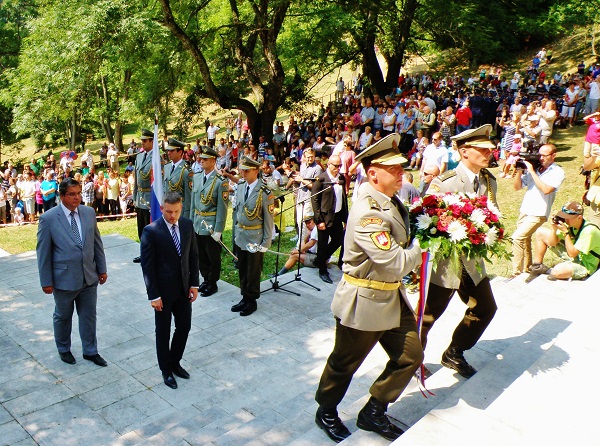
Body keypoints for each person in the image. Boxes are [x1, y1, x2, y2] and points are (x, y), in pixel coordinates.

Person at [314, 133, 423, 443]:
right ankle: (326, 410)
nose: (402, 171)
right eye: (395, 168)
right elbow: (394, 262)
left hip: (390, 296)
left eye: (402, 166)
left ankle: (373, 410)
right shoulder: (368, 213)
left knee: (411, 355)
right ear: (373, 173)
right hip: (365, 300)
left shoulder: (389, 200)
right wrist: (423, 245)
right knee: (344, 363)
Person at [421, 124, 498, 379]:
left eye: (490, 148)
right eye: (482, 149)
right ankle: (409, 361)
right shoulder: (445, 182)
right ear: (464, 152)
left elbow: (491, 213)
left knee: (485, 308)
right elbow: (424, 218)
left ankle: (455, 351)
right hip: (445, 261)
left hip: (472, 261)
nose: (490, 152)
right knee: (427, 316)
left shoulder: (488, 180)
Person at [36, 178, 108, 367]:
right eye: (72, 194)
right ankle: (64, 349)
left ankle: (90, 351)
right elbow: (43, 253)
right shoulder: (48, 219)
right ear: (61, 196)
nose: (77, 198)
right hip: (63, 279)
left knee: (89, 316)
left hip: (89, 276)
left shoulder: (89, 212)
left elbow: (96, 244)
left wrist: (102, 269)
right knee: (63, 316)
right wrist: (46, 281)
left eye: (78, 193)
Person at [140, 192, 199, 389]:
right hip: (162, 294)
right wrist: (154, 295)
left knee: (184, 327)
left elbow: (193, 256)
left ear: (181, 208)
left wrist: (194, 284)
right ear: (162, 209)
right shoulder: (151, 231)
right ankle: (166, 370)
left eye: (176, 211)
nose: (173, 216)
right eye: (169, 212)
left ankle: (175, 362)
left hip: (183, 290)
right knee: (163, 332)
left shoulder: (187, 225)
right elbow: (148, 267)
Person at [512, 144, 564, 277]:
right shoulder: (535, 169)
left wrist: (532, 172)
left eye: (544, 156)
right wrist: (519, 170)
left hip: (539, 212)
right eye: (539, 155)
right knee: (524, 240)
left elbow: (546, 190)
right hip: (525, 210)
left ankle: (516, 273)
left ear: (553, 156)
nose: (540, 158)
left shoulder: (557, 172)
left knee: (517, 238)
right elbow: (517, 187)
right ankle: (527, 268)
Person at [231, 157, 274, 317]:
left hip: (255, 237)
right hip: (241, 235)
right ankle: (244, 296)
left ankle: (252, 300)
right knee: (242, 267)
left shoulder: (265, 192)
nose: (243, 172)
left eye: (246, 170)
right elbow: (238, 211)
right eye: (242, 170)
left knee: (253, 270)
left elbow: (269, 220)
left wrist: (266, 242)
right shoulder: (241, 186)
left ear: (256, 171)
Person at [190, 146, 229, 297]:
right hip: (198, 222)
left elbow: (222, 208)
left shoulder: (220, 182)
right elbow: (194, 202)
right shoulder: (197, 177)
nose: (201, 161)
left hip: (211, 223)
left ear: (213, 161)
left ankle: (213, 282)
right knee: (200, 253)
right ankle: (206, 278)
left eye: (205, 159)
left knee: (212, 254)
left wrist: (219, 230)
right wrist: (192, 222)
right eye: (201, 158)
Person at [527, 201, 600, 282]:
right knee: (541, 232)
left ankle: (568, 270)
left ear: (579, 217)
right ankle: (537, 267)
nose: (565, 220)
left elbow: (572, 254)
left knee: (556, 271)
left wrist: (566, 233)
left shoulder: (589, 231)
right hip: (575, 256)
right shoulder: (570, 225)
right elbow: (551, 243)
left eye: (568, 218)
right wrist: (554, 229)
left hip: (586, 265)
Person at [311, 154, 349, 284]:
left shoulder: (341, 178)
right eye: (335, 166)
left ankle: (320, 259)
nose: (338, 168)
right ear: (329, 164)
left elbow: (343, 199)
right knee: (322, 244)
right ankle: (322, 270)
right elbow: (315, 200)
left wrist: (345, 218)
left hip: (337, 216)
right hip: (324, 217)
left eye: (339, 166)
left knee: (338, 240)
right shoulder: (321, 179)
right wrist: (319, 220)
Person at [132, 128, 156, 263]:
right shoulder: (139, 156)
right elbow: (136, 179)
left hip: (150, 198)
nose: (142, 143)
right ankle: (144, 252)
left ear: (152, 141)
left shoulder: (157, 157)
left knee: (150, 227)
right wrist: (135, 197)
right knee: (141, 228)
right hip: (140, 197)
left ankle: (152, 254)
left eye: (145, 141)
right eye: (141, 141)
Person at [163, 138, 192, 217]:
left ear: (180, 152)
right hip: (167, 210)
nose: (169, 153)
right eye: (168, 150)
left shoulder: (186, 171)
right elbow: (165, 189)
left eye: (172, 151)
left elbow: (188, 196)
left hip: (179, 212)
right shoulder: (166, 167)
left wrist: (186, 215)